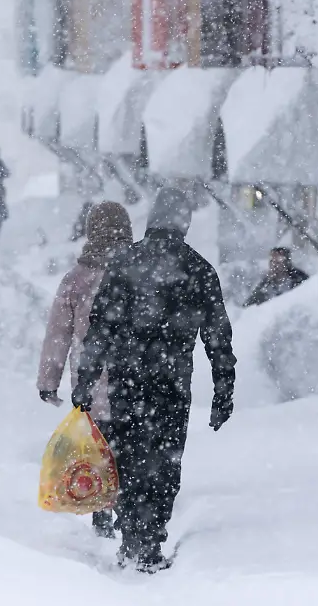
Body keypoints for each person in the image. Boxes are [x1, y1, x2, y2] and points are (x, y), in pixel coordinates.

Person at [73, 188, 236, 573]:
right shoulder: (198, 269)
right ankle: (150, 537)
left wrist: (86, 380)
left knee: (126, 456)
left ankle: (130, 531)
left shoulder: (123, 263)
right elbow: (218, 336)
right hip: (172, 384)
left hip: (126, 382)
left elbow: (101, 329)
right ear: (184, 222)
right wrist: (223, 389)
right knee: (163, 461)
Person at [37, 202, 135, 539]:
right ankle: (128, 513)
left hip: (91, 385)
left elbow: (58, 334)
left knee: (95, 452)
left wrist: (49, 381)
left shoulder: (77, 280)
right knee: (129, 451)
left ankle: (100, 513)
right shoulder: (139, 272)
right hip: (134, 384)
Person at [243, 247, 310, 307]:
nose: (274, 266)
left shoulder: (300, 280)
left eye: (278, 262)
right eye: (272, 262)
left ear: (286, 263)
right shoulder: (265, 285)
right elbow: (248, 306)